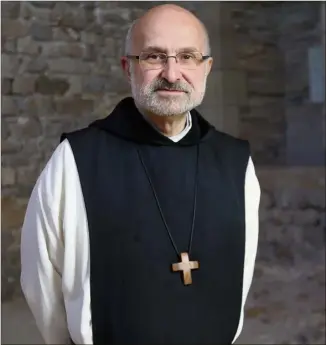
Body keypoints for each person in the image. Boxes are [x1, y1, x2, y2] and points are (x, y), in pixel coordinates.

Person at [20, 4, 261, 345]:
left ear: (207, 68)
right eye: (154, 56)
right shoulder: (78, 159)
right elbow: (41, 281)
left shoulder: (236, 162)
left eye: (187, 56)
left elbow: (242, 271)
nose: (173, 74)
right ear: (127, 68)